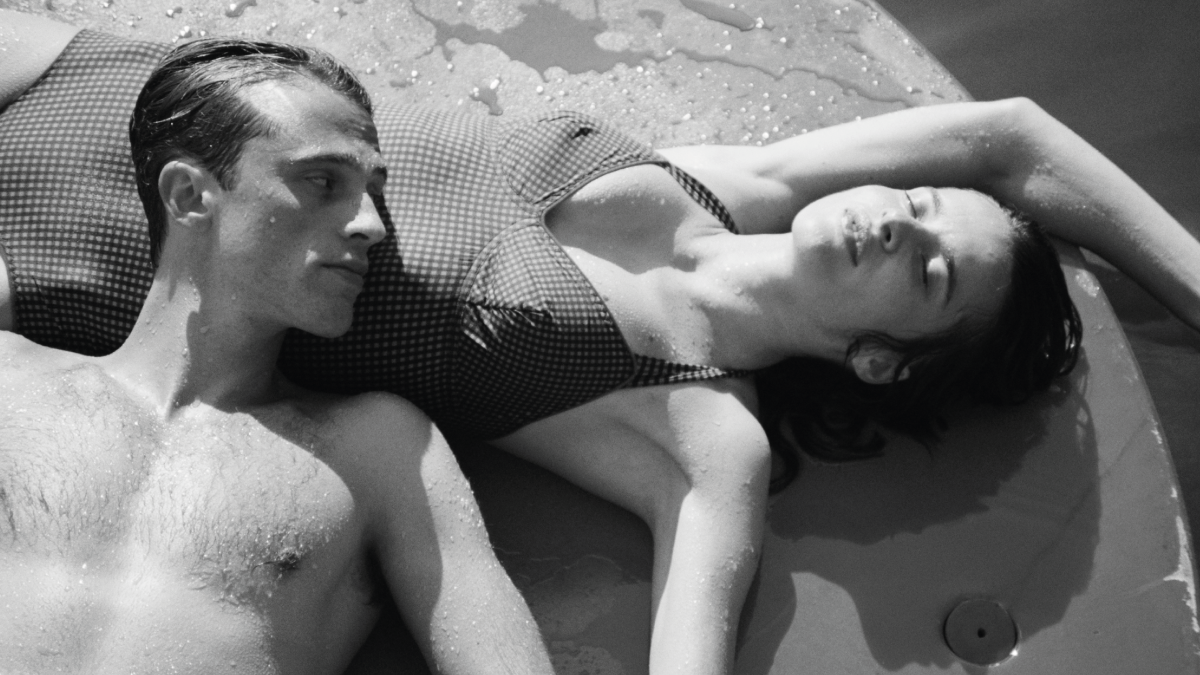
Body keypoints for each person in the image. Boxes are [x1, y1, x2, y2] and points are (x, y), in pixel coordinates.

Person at [3, 12, 1199, 675]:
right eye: (924, 204)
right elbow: (1009, 138)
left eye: (930, 273)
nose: (901, 222)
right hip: (117, 86)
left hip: (44, 262)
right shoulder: (722, 179)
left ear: (882, 361)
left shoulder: (702, 436)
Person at [0, 32, 555, 675]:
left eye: (373, 192)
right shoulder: (10, 383)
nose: (373, 225)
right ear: (188, 196)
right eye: (323, 180)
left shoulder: (379, 448)